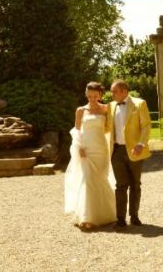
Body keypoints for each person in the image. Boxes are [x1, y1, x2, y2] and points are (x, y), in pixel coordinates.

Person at [64, 82, 116, 230]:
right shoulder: (80, 110)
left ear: (100, 95)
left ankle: (106, 214)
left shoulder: (106, 109)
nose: (92, 98)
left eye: (95, 96)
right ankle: (87, 217)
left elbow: (112, 128)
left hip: (101, 149)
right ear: (86, 94)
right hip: (86, 149)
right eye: (89, 95)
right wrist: (79, 147)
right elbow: (77, 131)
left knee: (100, 179)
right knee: (88, 180)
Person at [109, 79, 151, 227]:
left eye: (114, 91)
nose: (111, 94)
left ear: (124, 92)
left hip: (135, 150)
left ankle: (134, 216)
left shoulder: (140, 104)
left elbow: (146, 126)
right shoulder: (111, 106)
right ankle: (120, 219)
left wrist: (140, 144)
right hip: (117, 151)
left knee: (135, 184)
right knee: (120, 185)